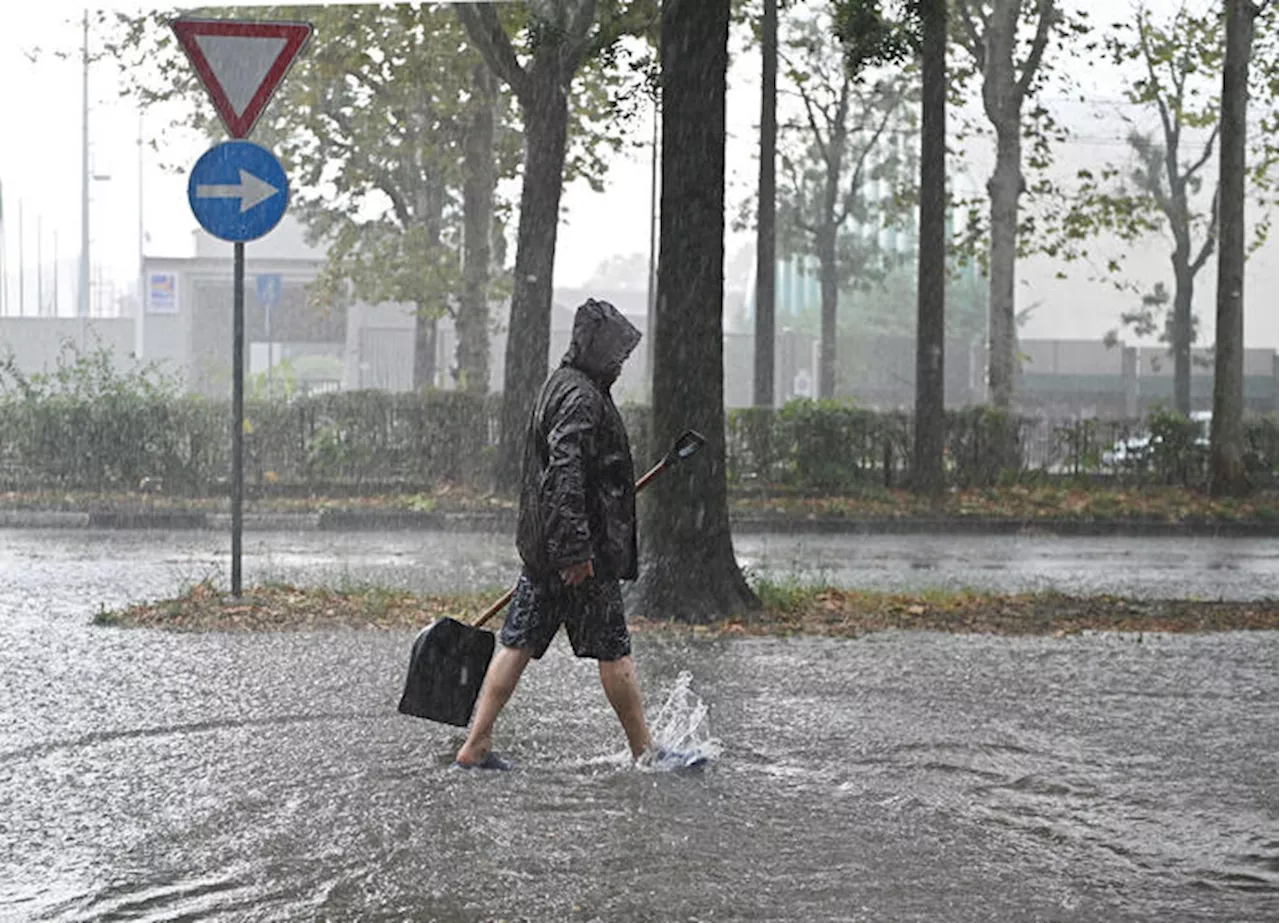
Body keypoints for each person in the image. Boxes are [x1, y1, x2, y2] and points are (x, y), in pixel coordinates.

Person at [453, 298, 682, 771]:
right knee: (614, 650)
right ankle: (644, 752)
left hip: (547, 553)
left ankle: (476, 744)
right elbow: (565, 472)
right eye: (616, 353)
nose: (621, 363)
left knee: (515, 645)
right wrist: (576, 550)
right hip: (581, 556)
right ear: (596, 348)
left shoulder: (562, 385)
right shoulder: (581, 396)